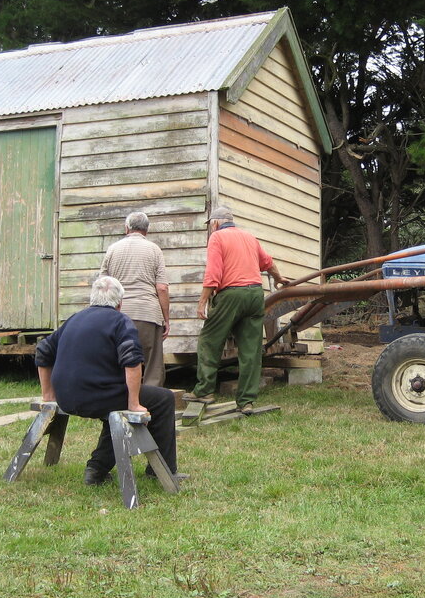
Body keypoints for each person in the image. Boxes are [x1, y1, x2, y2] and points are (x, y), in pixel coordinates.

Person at [35, 276, 180, 486]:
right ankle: (163, 470)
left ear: (92, 299)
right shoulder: (121, 322)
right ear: (120, 303)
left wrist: (48, 395)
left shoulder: (74, 319)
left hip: (67, 398)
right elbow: (132, 362)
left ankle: (96, 470)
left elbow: (42, 351)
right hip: (98, 397)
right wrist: (134, 404)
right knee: (164, 399)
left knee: (113, 411)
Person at [184, 206, 289, 415]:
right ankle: (246, 401)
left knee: (209, 340)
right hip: (255, 295)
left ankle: (204, 391)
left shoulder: (217, 238)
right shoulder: (249, 237)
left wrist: (202, 301)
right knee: (250, 350)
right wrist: (279, 279)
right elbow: (267, 262)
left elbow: (213, 273)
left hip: (231, 294)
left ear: (215, 223)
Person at [99, 211, 170, 387]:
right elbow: (162, 287)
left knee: (117, 356)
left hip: (119, 314)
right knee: (153, 361)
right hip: (148, 313)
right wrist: (166, 319)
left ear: (126, 228)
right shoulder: (154, 250)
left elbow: (103, 283)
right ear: (146, 230)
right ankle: (151, 401)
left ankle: (119, 397)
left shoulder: (113, 249)